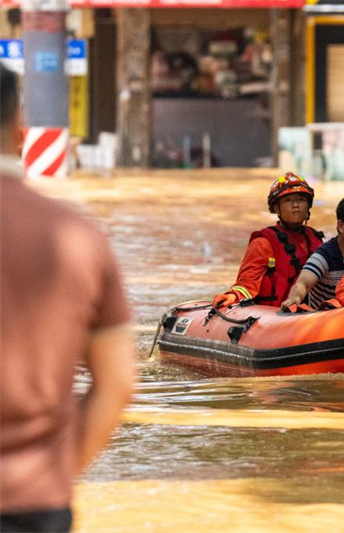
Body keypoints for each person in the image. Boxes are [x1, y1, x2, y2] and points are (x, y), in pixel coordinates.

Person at [0, 64, 137, 533]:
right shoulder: (80, 238)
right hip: (36, 500)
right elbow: (118, 383)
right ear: (21, 130)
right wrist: (55, 475)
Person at [213, 172, 324, 309]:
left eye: (301, 199)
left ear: (308, 205)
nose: (295, 205)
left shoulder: (316, 240)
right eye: (288, 200)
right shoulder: (263, 243)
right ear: (277, 208)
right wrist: (233, 296)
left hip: (310, 314)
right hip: (274, 316)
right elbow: (247, 283)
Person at [281, 193, 344, 310]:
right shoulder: (324, 256)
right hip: (324, 321)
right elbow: (302, 284)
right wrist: (295, 299)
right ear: (341, 226)